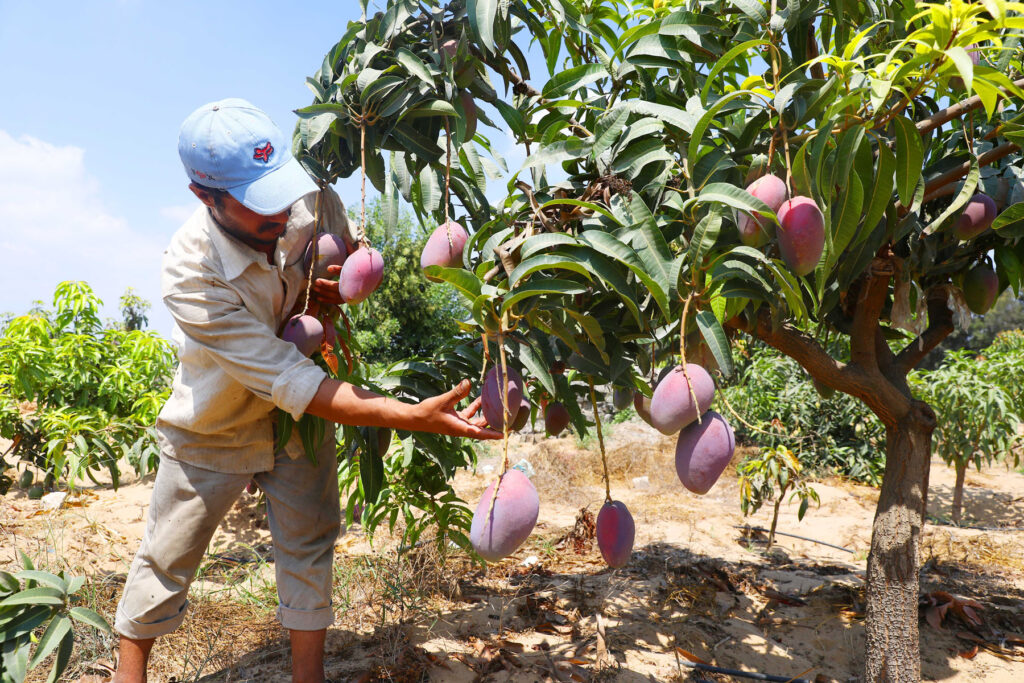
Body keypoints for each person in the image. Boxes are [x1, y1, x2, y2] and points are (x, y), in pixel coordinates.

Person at [110, 98, 499, 683]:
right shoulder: (190, 273)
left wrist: (330, 298)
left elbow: (336, 271)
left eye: (279, 190)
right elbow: (285, 376)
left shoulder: (311, 202)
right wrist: (408, 416)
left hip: (299, 421)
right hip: (215, 420)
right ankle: (128, 673)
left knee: (310, 541)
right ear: (205, 196)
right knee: (167, 554)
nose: (281, 212)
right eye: (256, 200)